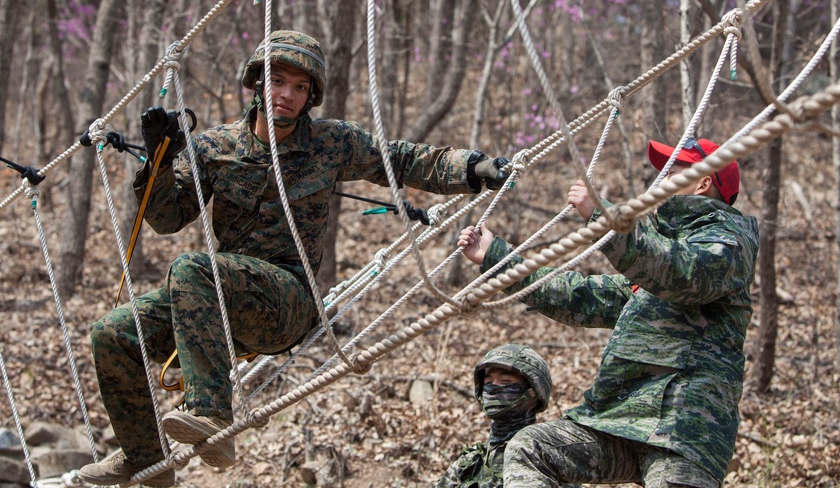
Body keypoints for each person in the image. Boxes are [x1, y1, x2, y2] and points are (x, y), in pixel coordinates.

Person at [79, 30, 511, 487]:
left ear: (310, 96)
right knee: (111, 333)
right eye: (277, 80)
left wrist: (472, 168)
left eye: (300, 87)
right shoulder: (214, 147)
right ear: (256, 83)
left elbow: (401, 160)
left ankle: (211, 415)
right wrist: (159, 162)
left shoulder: (331, 142)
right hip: (214, 303)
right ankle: (146, 460)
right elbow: (167, 219)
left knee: (191, 269)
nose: (286, 94)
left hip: (287, 303)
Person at [458, 137, 759, 488]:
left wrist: (602, 216)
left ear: (704, 181)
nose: (660, 176)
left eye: (672, 169)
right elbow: (578, 296)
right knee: (530, 448)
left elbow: (680, 273)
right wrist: (495, 257)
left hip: (682, 432)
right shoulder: (652, 262)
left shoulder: (728, 243)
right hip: (621, 421)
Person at [437, 344, 557, 488]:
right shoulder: (470, 464)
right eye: (488, 383)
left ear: (534, 392)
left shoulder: (548, 459)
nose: (493, 388)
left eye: (506, 382)